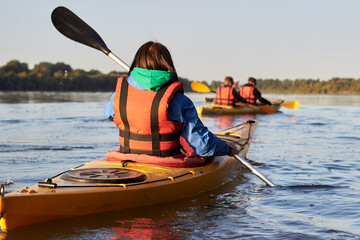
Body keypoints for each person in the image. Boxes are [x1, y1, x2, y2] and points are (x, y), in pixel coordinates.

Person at [104, 41, 238, 158]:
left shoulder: (120, 94)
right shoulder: (179, 100)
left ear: (138, 61)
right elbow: (203, 147)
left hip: (127, 158)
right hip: (165, 162)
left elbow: (109, 114)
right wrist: (227, 148)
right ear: (167, 63)